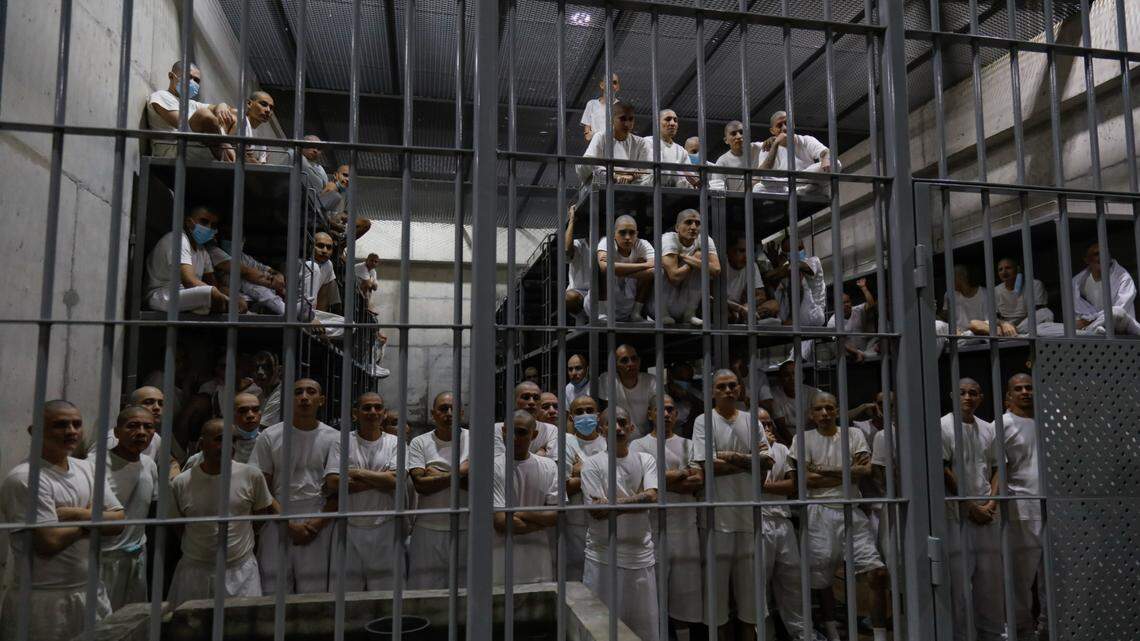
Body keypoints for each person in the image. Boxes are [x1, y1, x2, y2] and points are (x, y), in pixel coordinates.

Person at [0, 401, 125, 641]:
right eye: (60, 425)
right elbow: (49, 542)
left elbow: (118, 522)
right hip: (43, 602)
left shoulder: (87, 469)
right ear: (34, 431)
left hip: (90, 591)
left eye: (76, 424)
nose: (71, 431)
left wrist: (75, 514)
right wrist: (94, 521)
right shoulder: (25, 478)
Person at [788, 392, 889, 641]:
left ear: (837, 411)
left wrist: (822, 469)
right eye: (819, 409)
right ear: (811, 413)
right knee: (819, 581)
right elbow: (805, 479)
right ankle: (833, 631)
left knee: (876, 572)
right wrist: (846, 471)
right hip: (817, 512)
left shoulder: (853, 434)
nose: (825, 413)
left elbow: (864, 470)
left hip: (850, 509)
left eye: (830, 408)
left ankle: (879, 635)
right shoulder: (802, 438)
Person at [690, 370, 774, 640]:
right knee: (716, 602)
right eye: (722, 386)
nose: (728, 390)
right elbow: (707, 466)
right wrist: (748, 461)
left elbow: (767, 461)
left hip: (749, 519)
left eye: (732, 386)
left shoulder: (753, 421)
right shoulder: (704, 421)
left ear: (740, 388)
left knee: (751, 603)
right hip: (717, 520)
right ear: (712, 391)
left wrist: (730, 457)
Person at [168, 418, 277, 605]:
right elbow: (178, 526)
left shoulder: (251, 475)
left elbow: (260, 517)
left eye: (232, 440)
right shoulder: (182, 482)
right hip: (195, 570)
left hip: (241, 571)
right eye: (219, 439)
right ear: (202, 444)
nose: (227, 445)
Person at [249, 378, 339, 594]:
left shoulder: (334, 438)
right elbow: (262, 486)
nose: (304, 397)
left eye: (311, 392)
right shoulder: (270, 436)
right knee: (273, 590)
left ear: (321, 400)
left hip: (318, 520)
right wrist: (287, 523)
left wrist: (317, 523)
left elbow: (338, 490)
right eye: (298, 392)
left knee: (314, 593)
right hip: (277, 517)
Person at [581, 406, 661, 641]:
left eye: (623, 422)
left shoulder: (646, 459)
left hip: (640, 554)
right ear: (601, 429)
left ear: (632, 427)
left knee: (642, 631)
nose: (617, 427)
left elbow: (652, 497)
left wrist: (611, 504)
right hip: (603, 556)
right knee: (601, 631)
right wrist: (638, 499)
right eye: (610, 423)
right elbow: (597, 511)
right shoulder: (592, 463)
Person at [630, 394, 704, 632]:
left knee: (686, 594)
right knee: (654, 593)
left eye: (670, 409)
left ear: (676, 414)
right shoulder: (638, 445)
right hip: (652, 528)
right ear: (650, 414)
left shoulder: (689, 444)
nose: (665, 414)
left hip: (685, 528)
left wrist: (660, 479)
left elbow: (698, 480)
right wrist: (681, 473)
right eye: (659, 409)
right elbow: (642, 485)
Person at [940, 378, 1003, 641]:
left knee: (990, 584)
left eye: (973, 393)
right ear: (954, 395)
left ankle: (991, 634)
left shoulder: (988, 428)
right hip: (957, 516)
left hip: (987, 515)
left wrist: (991, 504)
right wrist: (969, 506)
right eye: (963, 393)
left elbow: (998, 467)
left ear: (981, 397)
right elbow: (944, 469)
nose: (968, 397)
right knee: (958, 586)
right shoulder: (942, 426)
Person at [324, 392, 400, 591]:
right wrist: (379, 479)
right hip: (348, 526)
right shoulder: (342, 442)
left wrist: (356, 472)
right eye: (366, 408)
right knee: (344, 595)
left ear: (384, 413)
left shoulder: (395, 443)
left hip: (385, 527)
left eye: (377, 407)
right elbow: (333, 482)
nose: (372, 412)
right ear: (355, 413)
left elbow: (394, 481)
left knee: (386, 595)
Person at [407, 391, 470, 588]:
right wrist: (460, 472)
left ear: (461, 413)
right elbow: (421, 485)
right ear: (433, 414)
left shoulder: (474, 440)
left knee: (464, 592)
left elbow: (479, 485)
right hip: (428, 529)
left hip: (466, 527)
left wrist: (435, 474)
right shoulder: (420, 442)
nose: (448, 413)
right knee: (424, 592)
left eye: (453, 409)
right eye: (443, 409)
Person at [756, 408, 809, 640]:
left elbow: (792, 486)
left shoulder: (783, 449)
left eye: (769, 424)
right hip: (758, 521)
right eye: (761, 425)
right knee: (760, 587)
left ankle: (802, 635)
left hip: (783, 520)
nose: (768, 428)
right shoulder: (748, 451)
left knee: (792, 581)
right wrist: (761, 452)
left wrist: (764, 488)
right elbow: (752, 486)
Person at [492, 410, 562, 585]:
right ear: (503, 432)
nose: (515, 438)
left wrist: (519, 513)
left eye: (522, 432)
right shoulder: (492, 467)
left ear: (534, 435)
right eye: (510, 431)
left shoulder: (549, 466)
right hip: (501, 558)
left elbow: (557, 516)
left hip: (538, 558)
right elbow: (502, 522)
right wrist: (541, 520)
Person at [1001, 374, 1047, 640]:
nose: (1025, 392)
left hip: (1053, 507)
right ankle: (1022, 630)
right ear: (1008, 396)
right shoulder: (1004, 424)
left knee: (1052, 575)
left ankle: (1047, 628)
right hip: (1022, 506)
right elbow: (997, 467)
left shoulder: (1050, 420)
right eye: (1018, 388)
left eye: (1029, 387)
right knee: (1022, 576)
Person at [100, 406, 159, 610]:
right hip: (104, 561)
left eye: (148, 426)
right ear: (116, 432)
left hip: (137, 558)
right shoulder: (95, 466)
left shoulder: (149, 464)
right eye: (132, 426)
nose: (141, 432)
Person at [145, 206, 243, 314]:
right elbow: (189, 281)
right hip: (162, 296)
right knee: (213, 295)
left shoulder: (202, 250)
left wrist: (234, 297)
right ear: (189, 222)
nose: (209, 227)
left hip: (185, 295)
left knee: (231, 297)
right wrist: (225, 299)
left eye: (213, 225)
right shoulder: (177, 239)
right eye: (204, 222)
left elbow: (212, 283)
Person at [553, 395, 608, 581]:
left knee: (603, 576)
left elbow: (615, 483)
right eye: (579, 412)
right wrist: (599, 472)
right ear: (571, 418)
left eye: (590, 411)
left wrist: (581, 471)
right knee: (575, 577)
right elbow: (563, 486)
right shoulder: (564, 442)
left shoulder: (609, 442)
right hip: (574, 521)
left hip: (605, 519)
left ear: (598, 415)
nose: (585, 415)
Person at [1039, 242, 1140, 336]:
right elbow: (1079, 310)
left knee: (1116, 312)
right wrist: (1083, 321)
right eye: (1097, 254)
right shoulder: (1078, 282)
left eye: (1105, 253)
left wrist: (1089, 321)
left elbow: (1122, 307)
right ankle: (1093, 330)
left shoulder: (1123, 277)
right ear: (1087, 260)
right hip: (1089, 322)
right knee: (1043, 327)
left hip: (1118, 324)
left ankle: (1092, 330)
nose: (1102, 256)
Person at [145, 60, 237, 161]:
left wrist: (221, 111)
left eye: (196, 80)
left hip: (195, 145)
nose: (192, 82)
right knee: (203, 114)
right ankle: (226, 152)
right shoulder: (160, 96)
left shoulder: (191, 103)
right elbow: (184, 126)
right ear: (171, 76)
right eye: (188, 77)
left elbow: (220, 106)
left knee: (234, 113)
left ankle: (229, 153)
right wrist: (222, 131)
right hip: (174, 151)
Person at [659, 208, 720, 326]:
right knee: (661, 270)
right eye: (688, 222)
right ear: (677, 227)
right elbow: (674, 277)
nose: (693, 227)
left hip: (684, 302)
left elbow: (716, 270)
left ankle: (689, 314)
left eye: (697, 223)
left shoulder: (704, 239)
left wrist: (685, 257)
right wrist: (696, 258)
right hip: (661, 303)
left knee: (702, 267)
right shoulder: (668, 238)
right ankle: (662, 313)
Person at [593, 215, 656, 323]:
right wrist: (644, 265)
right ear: (613, 233)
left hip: (627, 305)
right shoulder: (606, 241)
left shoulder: (642, 244)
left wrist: (616, 269)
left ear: (637, 234)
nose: (627, 237)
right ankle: (602, 312)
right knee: (599, 268)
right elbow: (604, 268)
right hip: (601, 306)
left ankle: (636, 313)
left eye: (631, 233)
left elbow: (655, 268)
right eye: (622, 232)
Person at [966, 258, 1053, 337]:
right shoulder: (996, 290)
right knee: (974, 324)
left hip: (1028, 323)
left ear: (1017, 269)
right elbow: (995, 317)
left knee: (1046, 313)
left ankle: (1014, 332)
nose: (1004, 272)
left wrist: (1013, 327)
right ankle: (1011, 333)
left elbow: (1038, 311)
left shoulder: (1034, 284)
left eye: (1008, 268)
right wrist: (1004, 324)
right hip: (1006, 325)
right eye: (1000, 269)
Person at [756, 110, 838, 192]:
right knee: (758, 188)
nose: (784, 128)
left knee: (835, 163)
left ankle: (790, 183)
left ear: (793, 125)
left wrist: (826, 158)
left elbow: (826, 152)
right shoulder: (768, 146)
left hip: (803, 184)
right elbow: (762, 173)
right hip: (787, 190)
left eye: (787, 123)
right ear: (772, 131)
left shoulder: (806, 140)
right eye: (779, 125)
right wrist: (775, 144)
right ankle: (795, 185)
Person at [578, 102, 652, 187]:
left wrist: (630, 177)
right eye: (623, 119)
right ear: (611, 119)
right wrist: (615, 176)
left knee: (654, 175)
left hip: (633, 183)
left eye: (631, 119)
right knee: (589, 165)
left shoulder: (640, 142)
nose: (627, 123)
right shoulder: (601, 136)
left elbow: (644, 169)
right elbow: (590, 163)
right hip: (606, 180)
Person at [184, 392, 265, 468]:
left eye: (255, 409)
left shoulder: (268, 441)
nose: (250, 415)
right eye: (242, 411)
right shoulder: (220, 445)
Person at [207, 238, 287, 315]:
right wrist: (271, 281)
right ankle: (283, 309)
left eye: (236, 236)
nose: (232, 240)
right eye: (228, 237)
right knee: (248, 281)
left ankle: (282, 307)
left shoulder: (243, 257)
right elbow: (245, 272)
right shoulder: (214, 251)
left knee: (255, 282)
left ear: (243, 240)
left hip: (252, 298)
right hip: (229, 295)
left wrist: (278, 275)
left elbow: (267, 269)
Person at [762, 237, 826, 327]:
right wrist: (775, 263)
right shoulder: (785, 270)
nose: (798, 251)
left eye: (800, 248)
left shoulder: (813, 261)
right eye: (791, 250)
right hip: (794, 319)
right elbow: (768, 277)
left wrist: (777, 268)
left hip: (812, 316)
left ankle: (792, 319)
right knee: (774, 283)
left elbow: (795, 265)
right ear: (785, 254)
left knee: (794, 271)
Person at [597, 344, 659, 431]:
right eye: (624, 360)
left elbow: (658, 414)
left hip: (644, 439)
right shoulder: (608, 379)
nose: (631, 363)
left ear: (639, 361)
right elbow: (608, 416)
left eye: (634, 359)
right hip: (617, 437)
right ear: (616, 365)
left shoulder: (651, 381)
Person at [495, 382, 559, 457]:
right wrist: (540, 454)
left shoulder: (551, 430)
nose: (531, 402)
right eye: (525, 397)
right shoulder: (497, 429)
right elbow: (499, 463)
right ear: (514, 401)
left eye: (536, 398)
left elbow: (552, 464)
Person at [724, 236, 778, 323]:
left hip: (743, 309)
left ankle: (743, 320)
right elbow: (712, 297)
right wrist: (737, 308)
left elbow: (761, 295)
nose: (746, 256)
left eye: (748, 251)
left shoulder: (752, 266)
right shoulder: (721, 265)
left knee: (774, 305)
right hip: (726, 308)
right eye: (741, 251)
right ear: (729, 251)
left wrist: (748, 305)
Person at [769, 360, 821, 444]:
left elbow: (820, 422)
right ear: (780, 379)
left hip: (813, 438)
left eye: (795, 373)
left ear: (802, 376)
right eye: (786, 375)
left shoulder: (814, 393)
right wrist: (796, 446)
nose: (792, 378)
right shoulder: (774, 394)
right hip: (788, 440)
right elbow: (781, 427)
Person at [826, 278, 877, 361]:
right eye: (843, 303)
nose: (846, 305)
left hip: (865, 352)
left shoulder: (857, 310)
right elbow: (838, 343)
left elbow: (871, 305)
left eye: (847, 302)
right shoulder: (832, 322)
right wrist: (856, 353)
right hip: (847, 356)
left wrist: (864, 288)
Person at [645, 109, 699, 188]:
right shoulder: (646, 143)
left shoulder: (681, 151)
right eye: (668, 119)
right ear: (657, 123)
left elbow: (690, 179)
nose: (672, 123)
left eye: (675, 120)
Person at [710, 120, 765, 192]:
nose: (739, 136)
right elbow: (717, 190)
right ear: (726, 140)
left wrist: (772, 141)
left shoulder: (758, 148)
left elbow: (778, 143)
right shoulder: (722, 162)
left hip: (759, 197)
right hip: (735, 200)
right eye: (733, 134)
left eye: (741, 132)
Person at [940, 265, 989, 334]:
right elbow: (945, 316)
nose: (947, 281)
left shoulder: (984, 294)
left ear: (961, 277)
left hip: (979, 335)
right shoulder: (949, 294)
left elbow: (989, 321)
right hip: (958, 336)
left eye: (951, 277)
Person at [564, 204, 592, 320]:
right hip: (580, 293)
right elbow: (567, 250)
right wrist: (571, 221)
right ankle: (583, 319)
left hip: (600, 293)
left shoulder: (606, 243)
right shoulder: (579, 244)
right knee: (570, 297)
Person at [581, 73, 621, 142]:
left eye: (614, 82)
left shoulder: (621, 106)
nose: (611, 85)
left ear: (618, 87)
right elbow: (587, 133)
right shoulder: (591, 104)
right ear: (602, 85)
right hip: (596, 146)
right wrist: (589, 134)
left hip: (615, 146)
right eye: (608, 82)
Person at [238, 90, 275, 164]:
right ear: (249, 103)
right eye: (263, 104)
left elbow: (261, 166)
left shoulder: (262, 142)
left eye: (271, 108)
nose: (268, 110)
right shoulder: (238, 120)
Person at [253, 351, 283, 425]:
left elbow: (262, 428)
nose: (260, 372)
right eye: (256, 368)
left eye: (266, 367)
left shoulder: (282, 394)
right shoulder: (261, 395)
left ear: (279, 370)